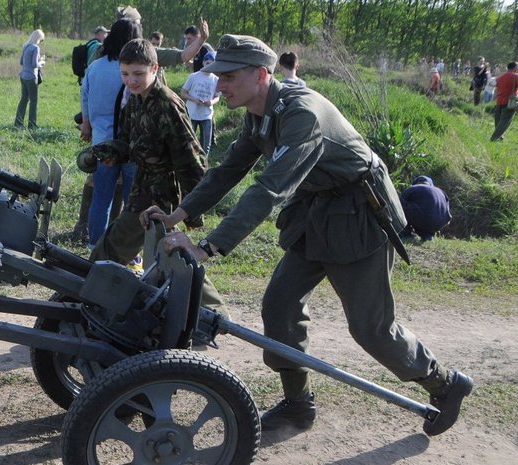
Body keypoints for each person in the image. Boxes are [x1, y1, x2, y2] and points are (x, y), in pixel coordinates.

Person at [142, 34, 472, 437]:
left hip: (360, 215)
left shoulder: (302, 115)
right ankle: (298, 406)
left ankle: (444, 383)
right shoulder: (259, 112)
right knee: (279, 307)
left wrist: (206, 247)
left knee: (372, 330)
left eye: (228, 76)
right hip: (317, 211)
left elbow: (269, 189)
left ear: (260, 75)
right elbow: (228, 171)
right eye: (218, 76)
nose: (219, 84)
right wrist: (177, 215)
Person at [88, 38, 208, 277]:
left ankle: (92, 290)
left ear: (154, 68)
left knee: (110, 253)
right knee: (156, 263)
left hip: (159, 197)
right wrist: (112, 153)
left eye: (138, 74)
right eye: (125, 74)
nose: (131, 80)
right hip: (140, 190)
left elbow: (192, 161)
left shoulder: (168, 104)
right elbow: (129, 141)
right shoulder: (136, 98)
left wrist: (192, 212)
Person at [80, 19, 142, 250]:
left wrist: (87, 124)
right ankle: (126, 250)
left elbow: (85, 97)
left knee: (101, 199)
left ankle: (95, 247)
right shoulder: (133, 73)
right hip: (131, 145)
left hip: (102, 143)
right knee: (131, 203)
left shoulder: (95, 67)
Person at [180, 52, 220, 156]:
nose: (209, 66)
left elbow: (217, 97)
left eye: (212, 64)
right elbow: (183, 93)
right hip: (192, 114)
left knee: (206, 144)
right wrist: (194, 99)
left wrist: (211, 102)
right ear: (203, 62)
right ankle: (190, 160)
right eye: (207, 63)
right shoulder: (194, 76)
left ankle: (204, 162)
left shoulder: (216, 80)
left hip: (207, 115)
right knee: (189, 141)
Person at [400, 176, 451, 241]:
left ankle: (405, 233)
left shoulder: (412, 188)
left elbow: (399, 205)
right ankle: (428, 235)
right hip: (438, 223)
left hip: (421, 218)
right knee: (426, 213)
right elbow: (448, 217)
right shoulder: (442, 192)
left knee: (402, 206)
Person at [14, 29, 45, 129]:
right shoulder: (36, 48)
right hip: (31, 77)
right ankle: (32, 124)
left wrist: (37, 60)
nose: (41, 42)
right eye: (41, 40)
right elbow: (34, 64)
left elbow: (21, 62)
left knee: (23, 100)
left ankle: (18, 123)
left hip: (23, 76)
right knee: (33, 101)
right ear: (38, 38)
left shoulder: (26, 46)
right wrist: (41, 63)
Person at [490, 61, 518, 141]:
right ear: (515, 67)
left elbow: (493, 84)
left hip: (499, 100)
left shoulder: (501, 76)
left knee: (498, 121)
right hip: (509, 102)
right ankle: (494, 138)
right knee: (505, 121)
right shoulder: (516, 76)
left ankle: (500, 137)